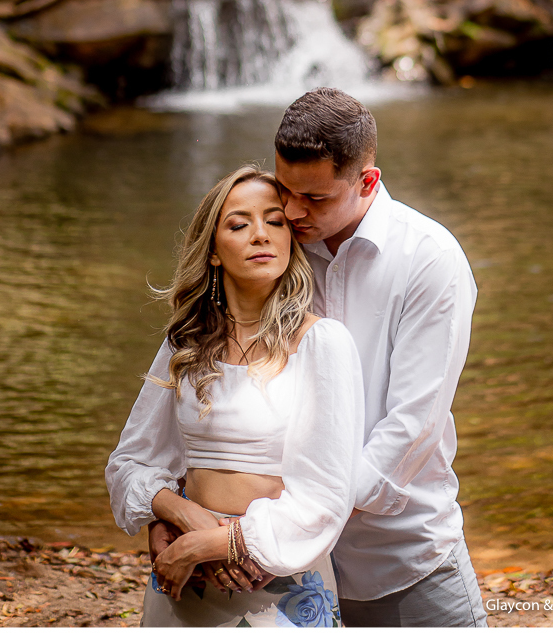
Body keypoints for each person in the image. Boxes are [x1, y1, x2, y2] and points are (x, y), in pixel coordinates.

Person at [138, 88, 487, 627]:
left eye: (315, 198)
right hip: (269, 567)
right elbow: (225, 407)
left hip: (397, 555)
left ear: (367, 182)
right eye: (286, 191)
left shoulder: (429, 261)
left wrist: (259, 532)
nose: (292, 213)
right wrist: (183, 513)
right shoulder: (277, 248)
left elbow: (411, 428)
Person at [106, 164, 365, 627]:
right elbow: (129, 463)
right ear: (213, 253)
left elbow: (327, 495)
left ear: (291, 240)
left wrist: (223, 542)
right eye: (239, 224)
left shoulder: (323, 344)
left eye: (276, 221)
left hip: (273, 575)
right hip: (185, 578)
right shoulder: (184, 343)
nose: (261, 235)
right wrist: (174, 513)